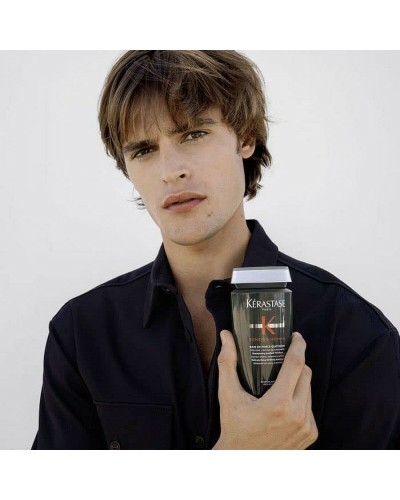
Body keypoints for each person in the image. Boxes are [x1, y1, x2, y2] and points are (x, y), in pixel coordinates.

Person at [32, 50, 400, 450]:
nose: (171, 170)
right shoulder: (82, 333)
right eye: (143, 149)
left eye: (193, 134)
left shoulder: (354, 333)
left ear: (246, 137)